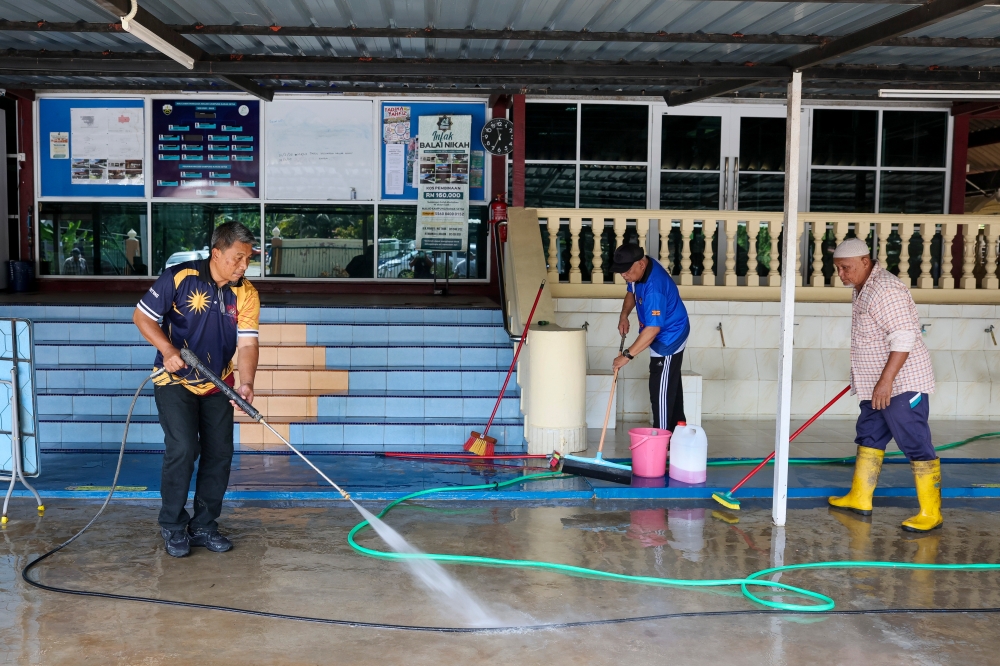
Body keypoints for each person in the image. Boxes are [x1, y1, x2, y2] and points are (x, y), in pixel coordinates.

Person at [133, 222, 260, 557]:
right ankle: (174, 525)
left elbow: (247, 345)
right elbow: (142, 318)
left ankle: (204, 525)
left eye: (247, 259)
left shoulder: (246, 293)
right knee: (184, 448)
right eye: (237, 258)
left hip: (218, 382)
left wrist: (246, 382)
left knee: (219, 454)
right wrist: (169, 350)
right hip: (174, 379)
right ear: (216, 253)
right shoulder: (179, 277)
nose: (243, 266)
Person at [828, 237, 940, 532]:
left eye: (846, 268)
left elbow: (904, 338)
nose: (842, 274)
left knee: (914, 441)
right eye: (838, 268)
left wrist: (886, 381)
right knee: (869, 436)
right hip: (876, 386)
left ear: (866, 261)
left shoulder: (886, 289)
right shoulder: (862, 287)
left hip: (901, 385)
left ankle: (931, 512)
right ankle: (860, 497)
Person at [611, 244, 690, 432]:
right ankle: (677, 433)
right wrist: (624, 315)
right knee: (670, 386)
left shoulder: (655, 287)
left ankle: (660, 442)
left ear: (641, 264)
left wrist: (627, 356)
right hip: (660, 332)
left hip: (669, 338)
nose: (624, 275)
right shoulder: (639, 269)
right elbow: (631, 291)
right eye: (621, 272)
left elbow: (653, 329)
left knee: (660, 391)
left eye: (627, 271)